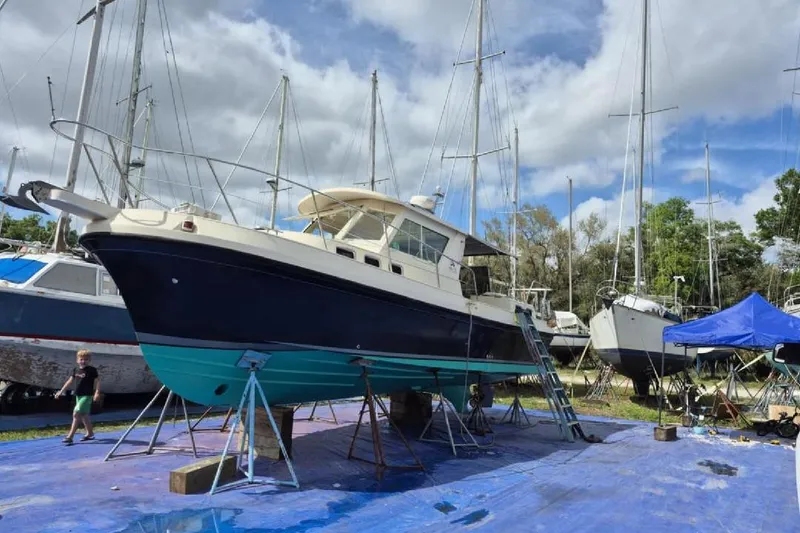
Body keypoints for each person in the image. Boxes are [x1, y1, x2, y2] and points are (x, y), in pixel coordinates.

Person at [55, 349, 100, 445]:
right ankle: (90, 433)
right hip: (78, 395)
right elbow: (69, 381)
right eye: (81, 359)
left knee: (76, 414)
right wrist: (61, 391)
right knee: (84, 415)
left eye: (86, 359)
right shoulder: (76, 370)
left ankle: (70, 437)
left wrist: (97, 392)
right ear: (77, 360)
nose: (83, 361)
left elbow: (97, 381)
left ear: (89, 360)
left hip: (87, 396)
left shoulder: (92, 370)